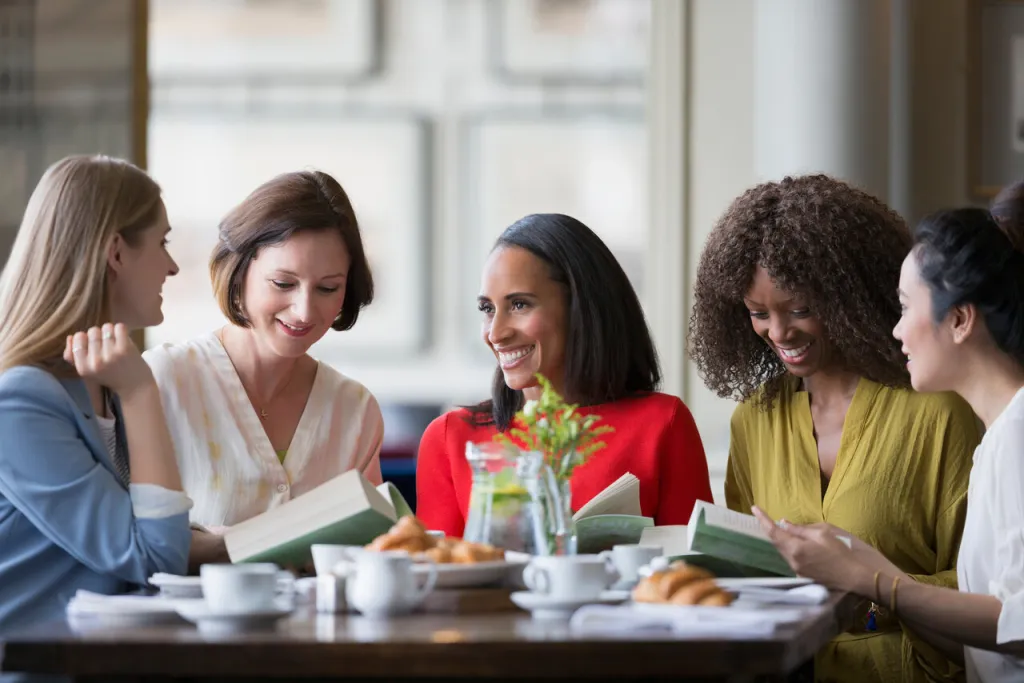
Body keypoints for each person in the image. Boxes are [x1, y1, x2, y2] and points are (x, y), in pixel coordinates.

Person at [688, 175, 981, 683]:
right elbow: (747, 574)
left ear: (849, 293)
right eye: (759, 314)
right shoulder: (754, 421)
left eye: (799, 309)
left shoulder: (936, 413)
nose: (779, 333)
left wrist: (864, 602)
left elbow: (985, 589)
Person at [752, 197, 1024, 683]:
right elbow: (981, 644)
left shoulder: (1019, 434)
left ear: (960, 320)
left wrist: (874, 581)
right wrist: (864, 565)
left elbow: (1018, 628)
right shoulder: (998, 438)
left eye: (903, 307)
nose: (895, 330)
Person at [416, 213, 713, 536]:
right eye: (488, 309)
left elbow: (691, 575)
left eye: (519, 305)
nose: (496, 333)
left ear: (581, 308)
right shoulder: (449, 438)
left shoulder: (663, 425)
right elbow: (435, 578)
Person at [144, 170, 383, 563]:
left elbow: (366, 555)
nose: (305, 310)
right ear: (240, 272)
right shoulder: (163, 380)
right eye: (283, 283)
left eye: (327, 288)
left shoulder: (354, 409)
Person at [0, 156, 191, 644]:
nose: (172, 265)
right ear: (116, 253)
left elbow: (151, 536)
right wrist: (141, 391)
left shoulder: (100, 380)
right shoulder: (19, 404)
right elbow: (152, 557)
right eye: (163, 242)